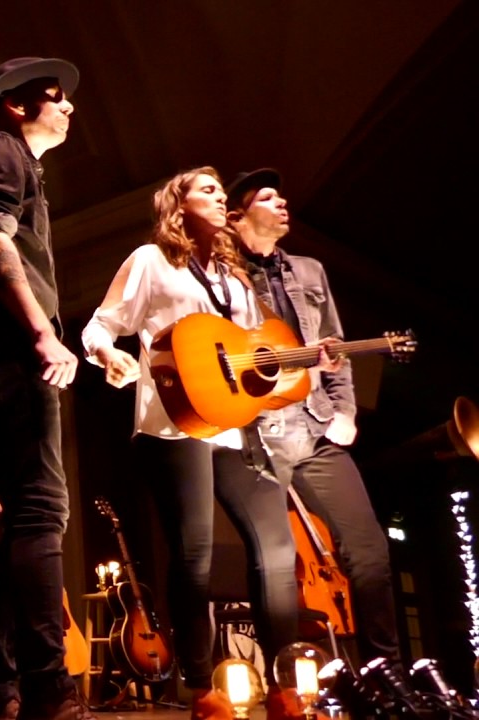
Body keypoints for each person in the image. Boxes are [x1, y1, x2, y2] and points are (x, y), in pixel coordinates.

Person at [81, 168, 306, 720]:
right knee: (195, 551)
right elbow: (100, 326)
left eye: (220, 190)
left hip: (233, 425)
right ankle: (202, 689)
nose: (219, 195)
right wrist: (110, 356)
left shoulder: (235, 278)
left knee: (277, 548)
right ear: (176, 206)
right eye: (206, 189)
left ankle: (283, 687)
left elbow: (254, 353)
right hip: (172, 421)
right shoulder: (150, 261)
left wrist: (302, 362)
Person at [0, 56, 93, 720]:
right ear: (15, 104)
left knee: (30, 517)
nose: (68, 109)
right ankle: (46, 685)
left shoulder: (19, 163)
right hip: (9, 354)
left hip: (3, 353)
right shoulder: (2, 150)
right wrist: (40, 332)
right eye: (54, 98)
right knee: (41, 510)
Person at [227, 168, 401, 666]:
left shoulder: (309, 271)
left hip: (318, 424)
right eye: (267, 196)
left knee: (368, 551)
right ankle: (287, 684)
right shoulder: (222, 276)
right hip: (256, 432)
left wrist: (345, 409)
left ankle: (381, 673)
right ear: (238, 216)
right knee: (276, 562)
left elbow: (335, 347)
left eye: (282, 195)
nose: (282, 201)